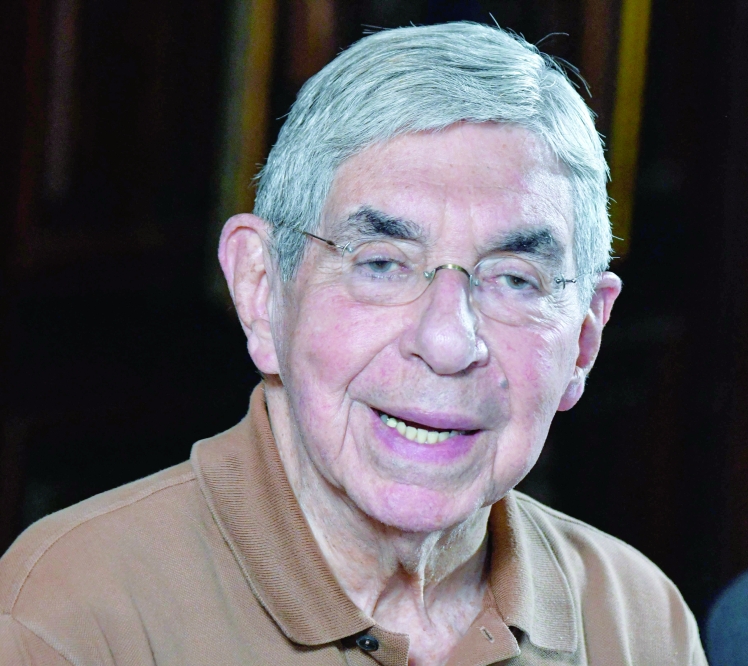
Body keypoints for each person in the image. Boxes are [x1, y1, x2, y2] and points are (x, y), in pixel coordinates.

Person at [0, 22, 707, 665]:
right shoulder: (74, 615)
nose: (447, 342)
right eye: (381, 264)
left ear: (584, 340)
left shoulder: (638, 621)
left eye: (515, 279)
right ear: (260, 290)